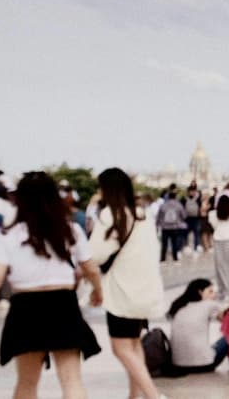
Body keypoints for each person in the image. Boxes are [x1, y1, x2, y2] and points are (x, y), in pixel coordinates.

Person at [0, 171, 103, 399]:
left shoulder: (6, 235)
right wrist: (98, 292)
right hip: (62, 305)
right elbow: (91, 268)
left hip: (25, 308)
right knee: (71, 380)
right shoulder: (70, 231)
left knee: (27, 382)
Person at [89, 168, 165, 399]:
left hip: (122, 292)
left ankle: (154, 396)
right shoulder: (143, 215)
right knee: (133, 346)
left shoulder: (111, 216)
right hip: (144, 290)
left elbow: (94, 255)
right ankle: (134, 396)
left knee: (121, 348)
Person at [168, 278, 229, 374]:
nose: (214, 295)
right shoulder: (209, 304)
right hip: (203, 365)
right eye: (210, 292)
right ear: (200, 292)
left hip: (178, 365)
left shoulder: (180, 306)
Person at [157, 190, 188, 262]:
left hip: (164, 227)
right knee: (174, 243)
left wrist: (158, 225)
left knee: (164, 244)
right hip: (175, 227)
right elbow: (184, 216)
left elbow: (159, 216)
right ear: (175, 197)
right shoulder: (178, 205)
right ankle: (175, 258)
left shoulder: (163, 205)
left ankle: (163, 258)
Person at [183, 186, 203, 254]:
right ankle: (186, 246)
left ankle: (196, 247)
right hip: (187, 218)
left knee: (196, 233)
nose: (193, 192)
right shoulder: (184, 199)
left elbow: (200, 208)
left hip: (196, 218)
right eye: (192, 191)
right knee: (186, 233)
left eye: (194, 191)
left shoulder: (198, 199)